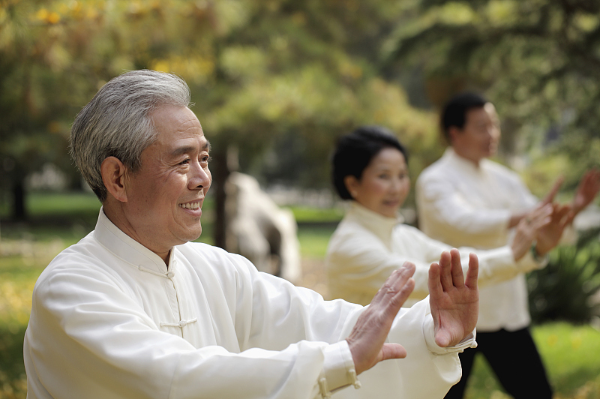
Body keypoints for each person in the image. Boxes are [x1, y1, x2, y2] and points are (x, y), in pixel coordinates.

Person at [24, 70, 480, 399]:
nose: (203, 178)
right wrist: (337, 361)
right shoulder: (72, 289)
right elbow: (176, 378)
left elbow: (315, 320)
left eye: (204, 159)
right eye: (182, 161)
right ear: (118, 178)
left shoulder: (213, 267)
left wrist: (430, 327)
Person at [416, 92, 600, 399]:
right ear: (454, 133)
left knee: (537, 393)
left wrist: (574, 210)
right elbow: (464, 221)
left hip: (505, 311)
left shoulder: (505, 179)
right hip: (453, 315)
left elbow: (540, 228)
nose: (492, 134)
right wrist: (528, 215)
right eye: (481, 126)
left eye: (494, 125)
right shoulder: (434, 180)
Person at [326, 126, 568, 309]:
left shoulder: (403, 235)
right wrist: (512, 253)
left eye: (401, 175)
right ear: (352, 184)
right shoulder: (350, 246)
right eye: (384, 176)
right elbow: (428, 279)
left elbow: (456, 259)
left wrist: (532, 252)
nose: (396, 188)